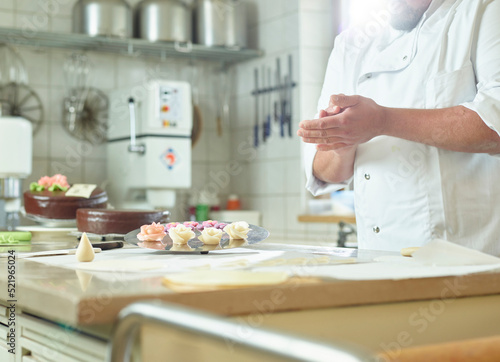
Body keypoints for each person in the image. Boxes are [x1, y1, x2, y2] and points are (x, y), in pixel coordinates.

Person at [298, 0, 500, 256]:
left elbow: (495, 126)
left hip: (471, 262)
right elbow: (322, 169)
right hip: (378, 262)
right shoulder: (350, 44)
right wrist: (343, 145)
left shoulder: (483, 10)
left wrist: (383, 121)